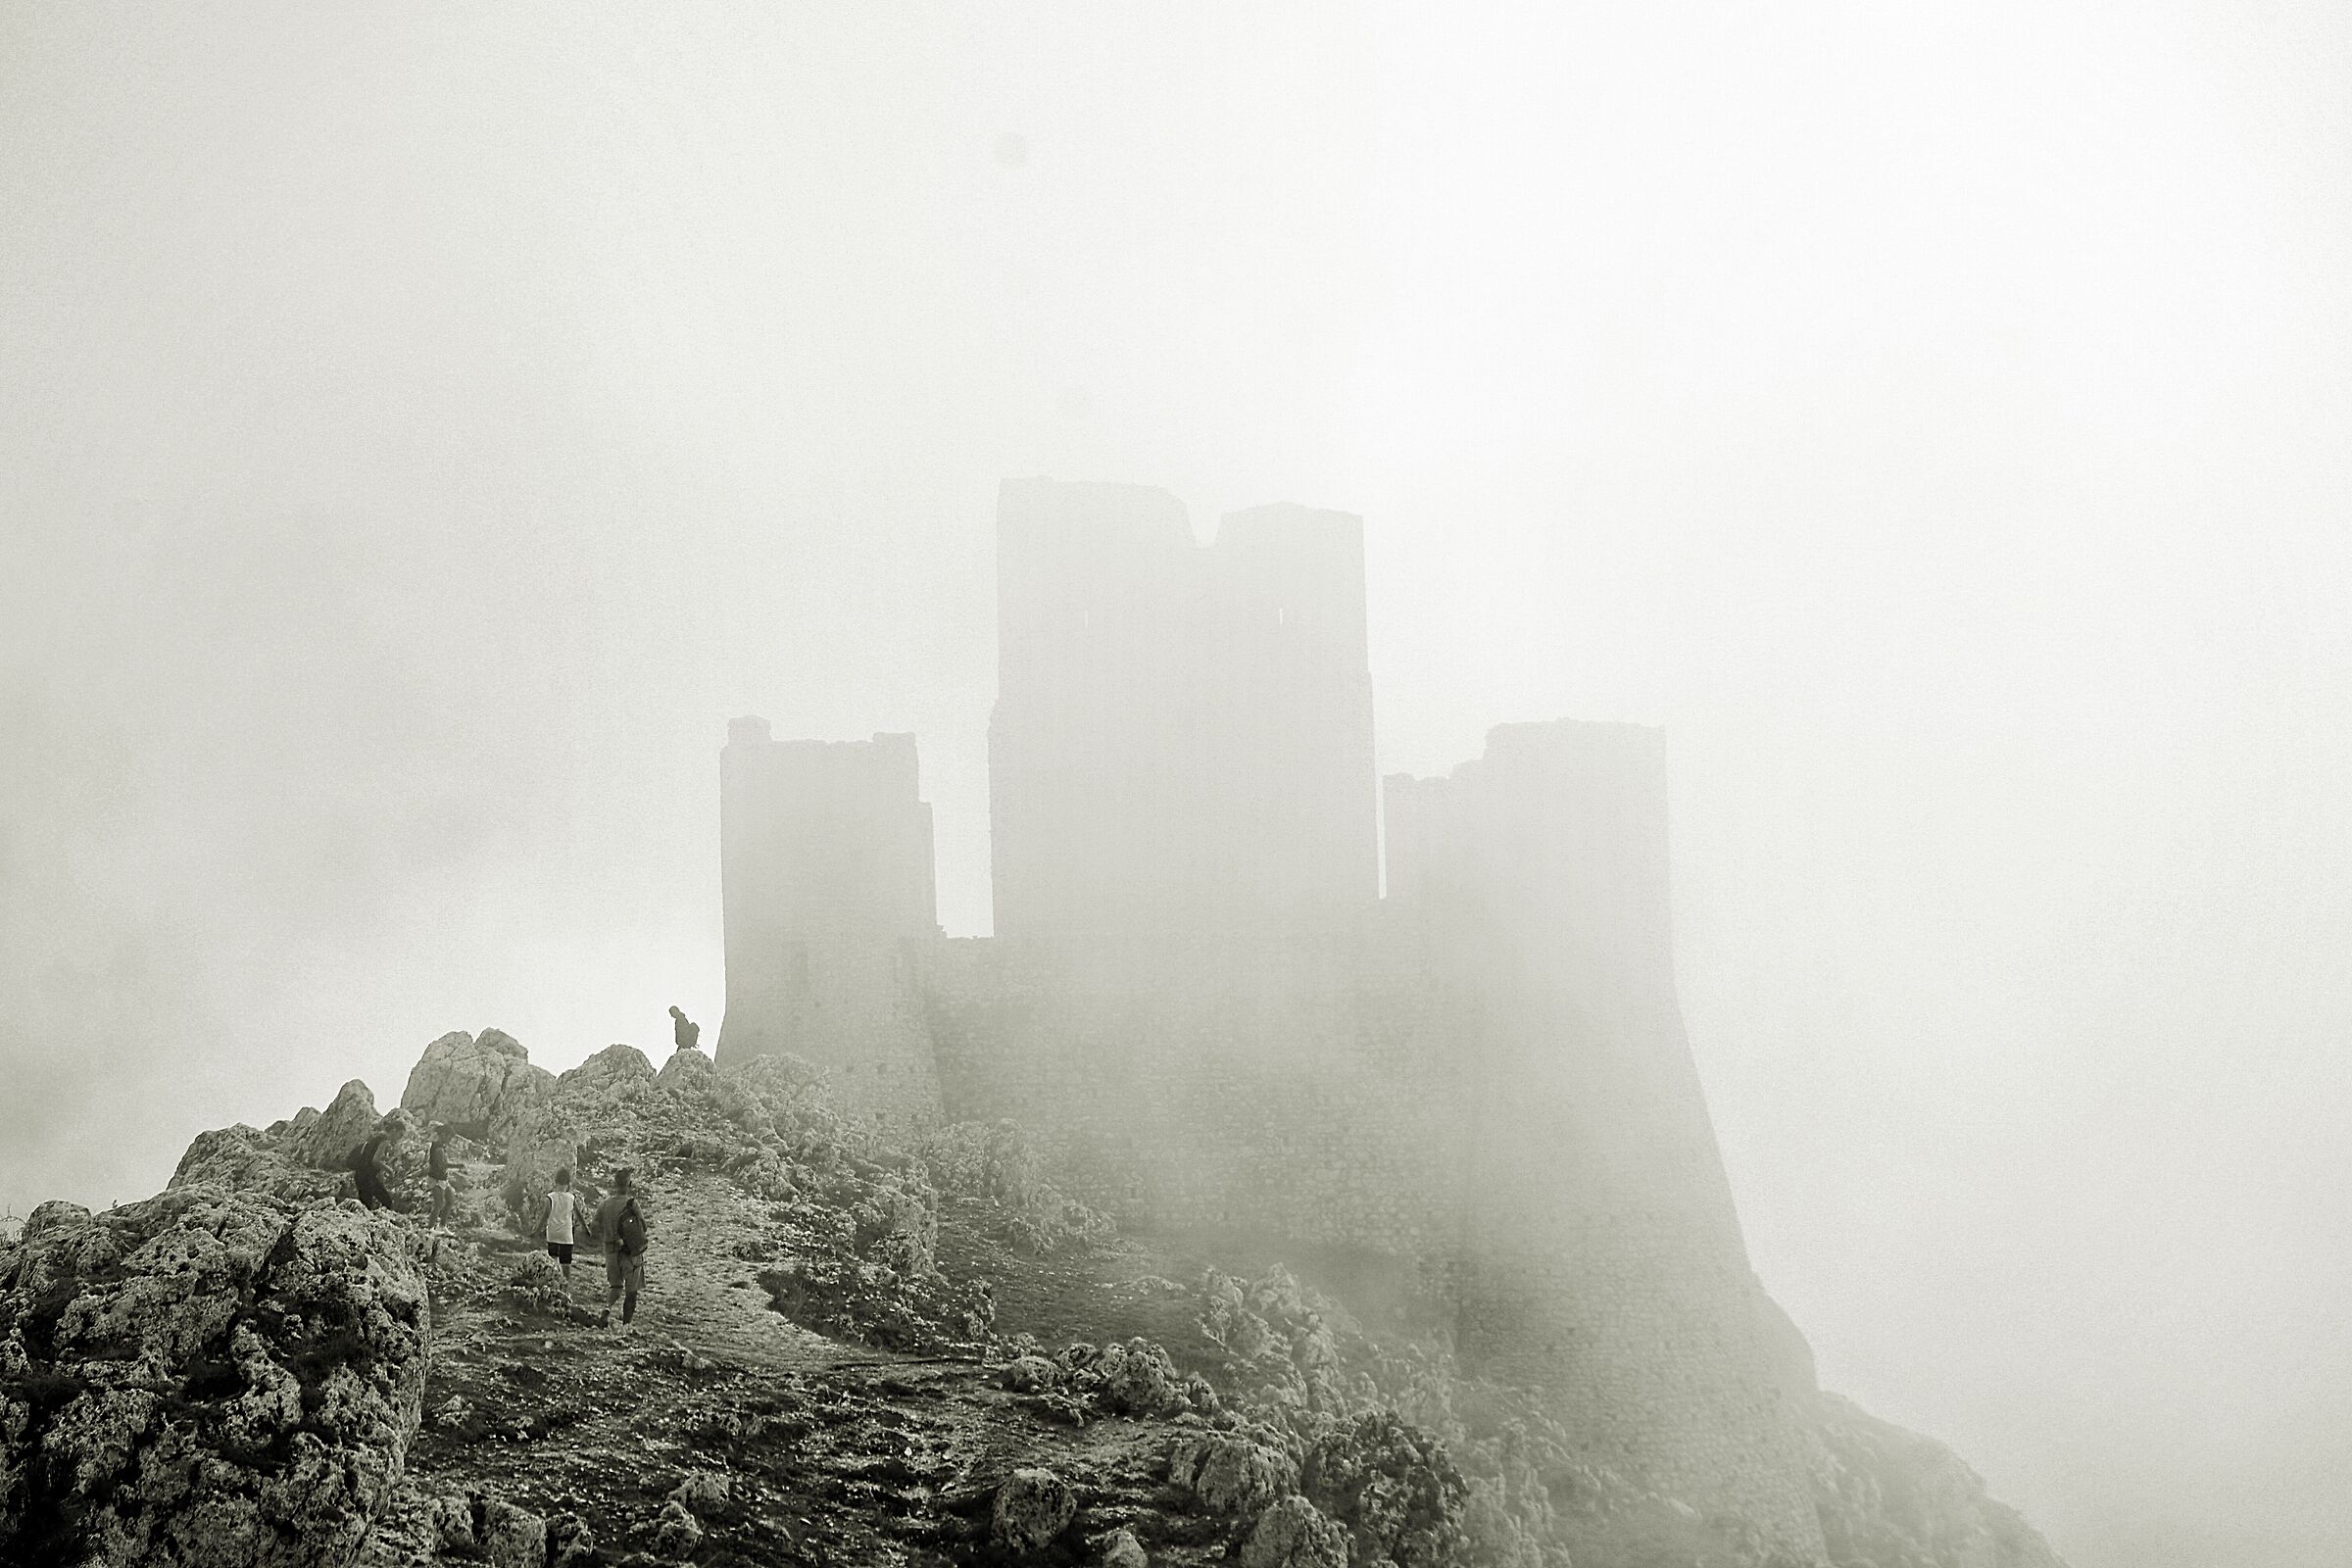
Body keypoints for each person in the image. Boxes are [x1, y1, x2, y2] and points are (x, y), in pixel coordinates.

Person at [591, 1166, 649, 1330]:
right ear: (629, 1184)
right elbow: (643, 1226)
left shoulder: (605, 1204)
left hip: (610, 1251)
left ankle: (606, 1309)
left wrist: (606, 1236)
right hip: (630, 1253)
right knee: (631, 1291)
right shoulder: (632, 1204)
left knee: (615, 1286)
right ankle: (626, 1326)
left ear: (614, 1184)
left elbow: (594, 1226)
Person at [544, 1167, 579, 1286]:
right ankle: (566, 1287)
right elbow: (579, 1215)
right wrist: (587, 1229)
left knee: (553, 1262)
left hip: (552, 1234)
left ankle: (553, 1285)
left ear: (555, 1181)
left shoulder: (550, 1197)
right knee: (566, 1264)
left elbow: (545, 1216)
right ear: (568, 1183)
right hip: (566, 1236)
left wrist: (536, 1231)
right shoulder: (571, 1198)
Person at [349, 1134, 395, 1210]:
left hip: (360, 1175)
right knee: (387, 1202)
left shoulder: (374, 1140)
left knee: (366, 1205)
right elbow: (376, 1161)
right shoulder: (384, 1140)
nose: (399, 1138)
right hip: (368, 1177)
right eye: (400, 1134)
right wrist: (389, 1170)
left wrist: (382, 1184)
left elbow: (378, 1166)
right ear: (394, 1130)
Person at [427, 1128, 456, 1225]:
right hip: (436, 1179)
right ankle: (430, 1228)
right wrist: (457, 1166)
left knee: (450, 1201)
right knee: (439, 1204)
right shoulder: (438, 1148)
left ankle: (442, 1226)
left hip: (442, 1179)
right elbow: (442, 1165)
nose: (450, 1140)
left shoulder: (441, 1147)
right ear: (443, 1134)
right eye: (449, 1137)